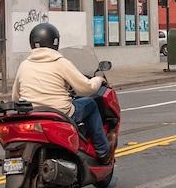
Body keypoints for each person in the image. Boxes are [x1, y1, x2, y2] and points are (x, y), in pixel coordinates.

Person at [12, 23, 111, 163]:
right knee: (91, 104)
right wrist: (98, 79)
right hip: (60, 112)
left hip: (32, 114)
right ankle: (103, 151)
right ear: (55, 42)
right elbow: (86, 88)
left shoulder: (24, 65)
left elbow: (15, 96)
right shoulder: (60, 62)